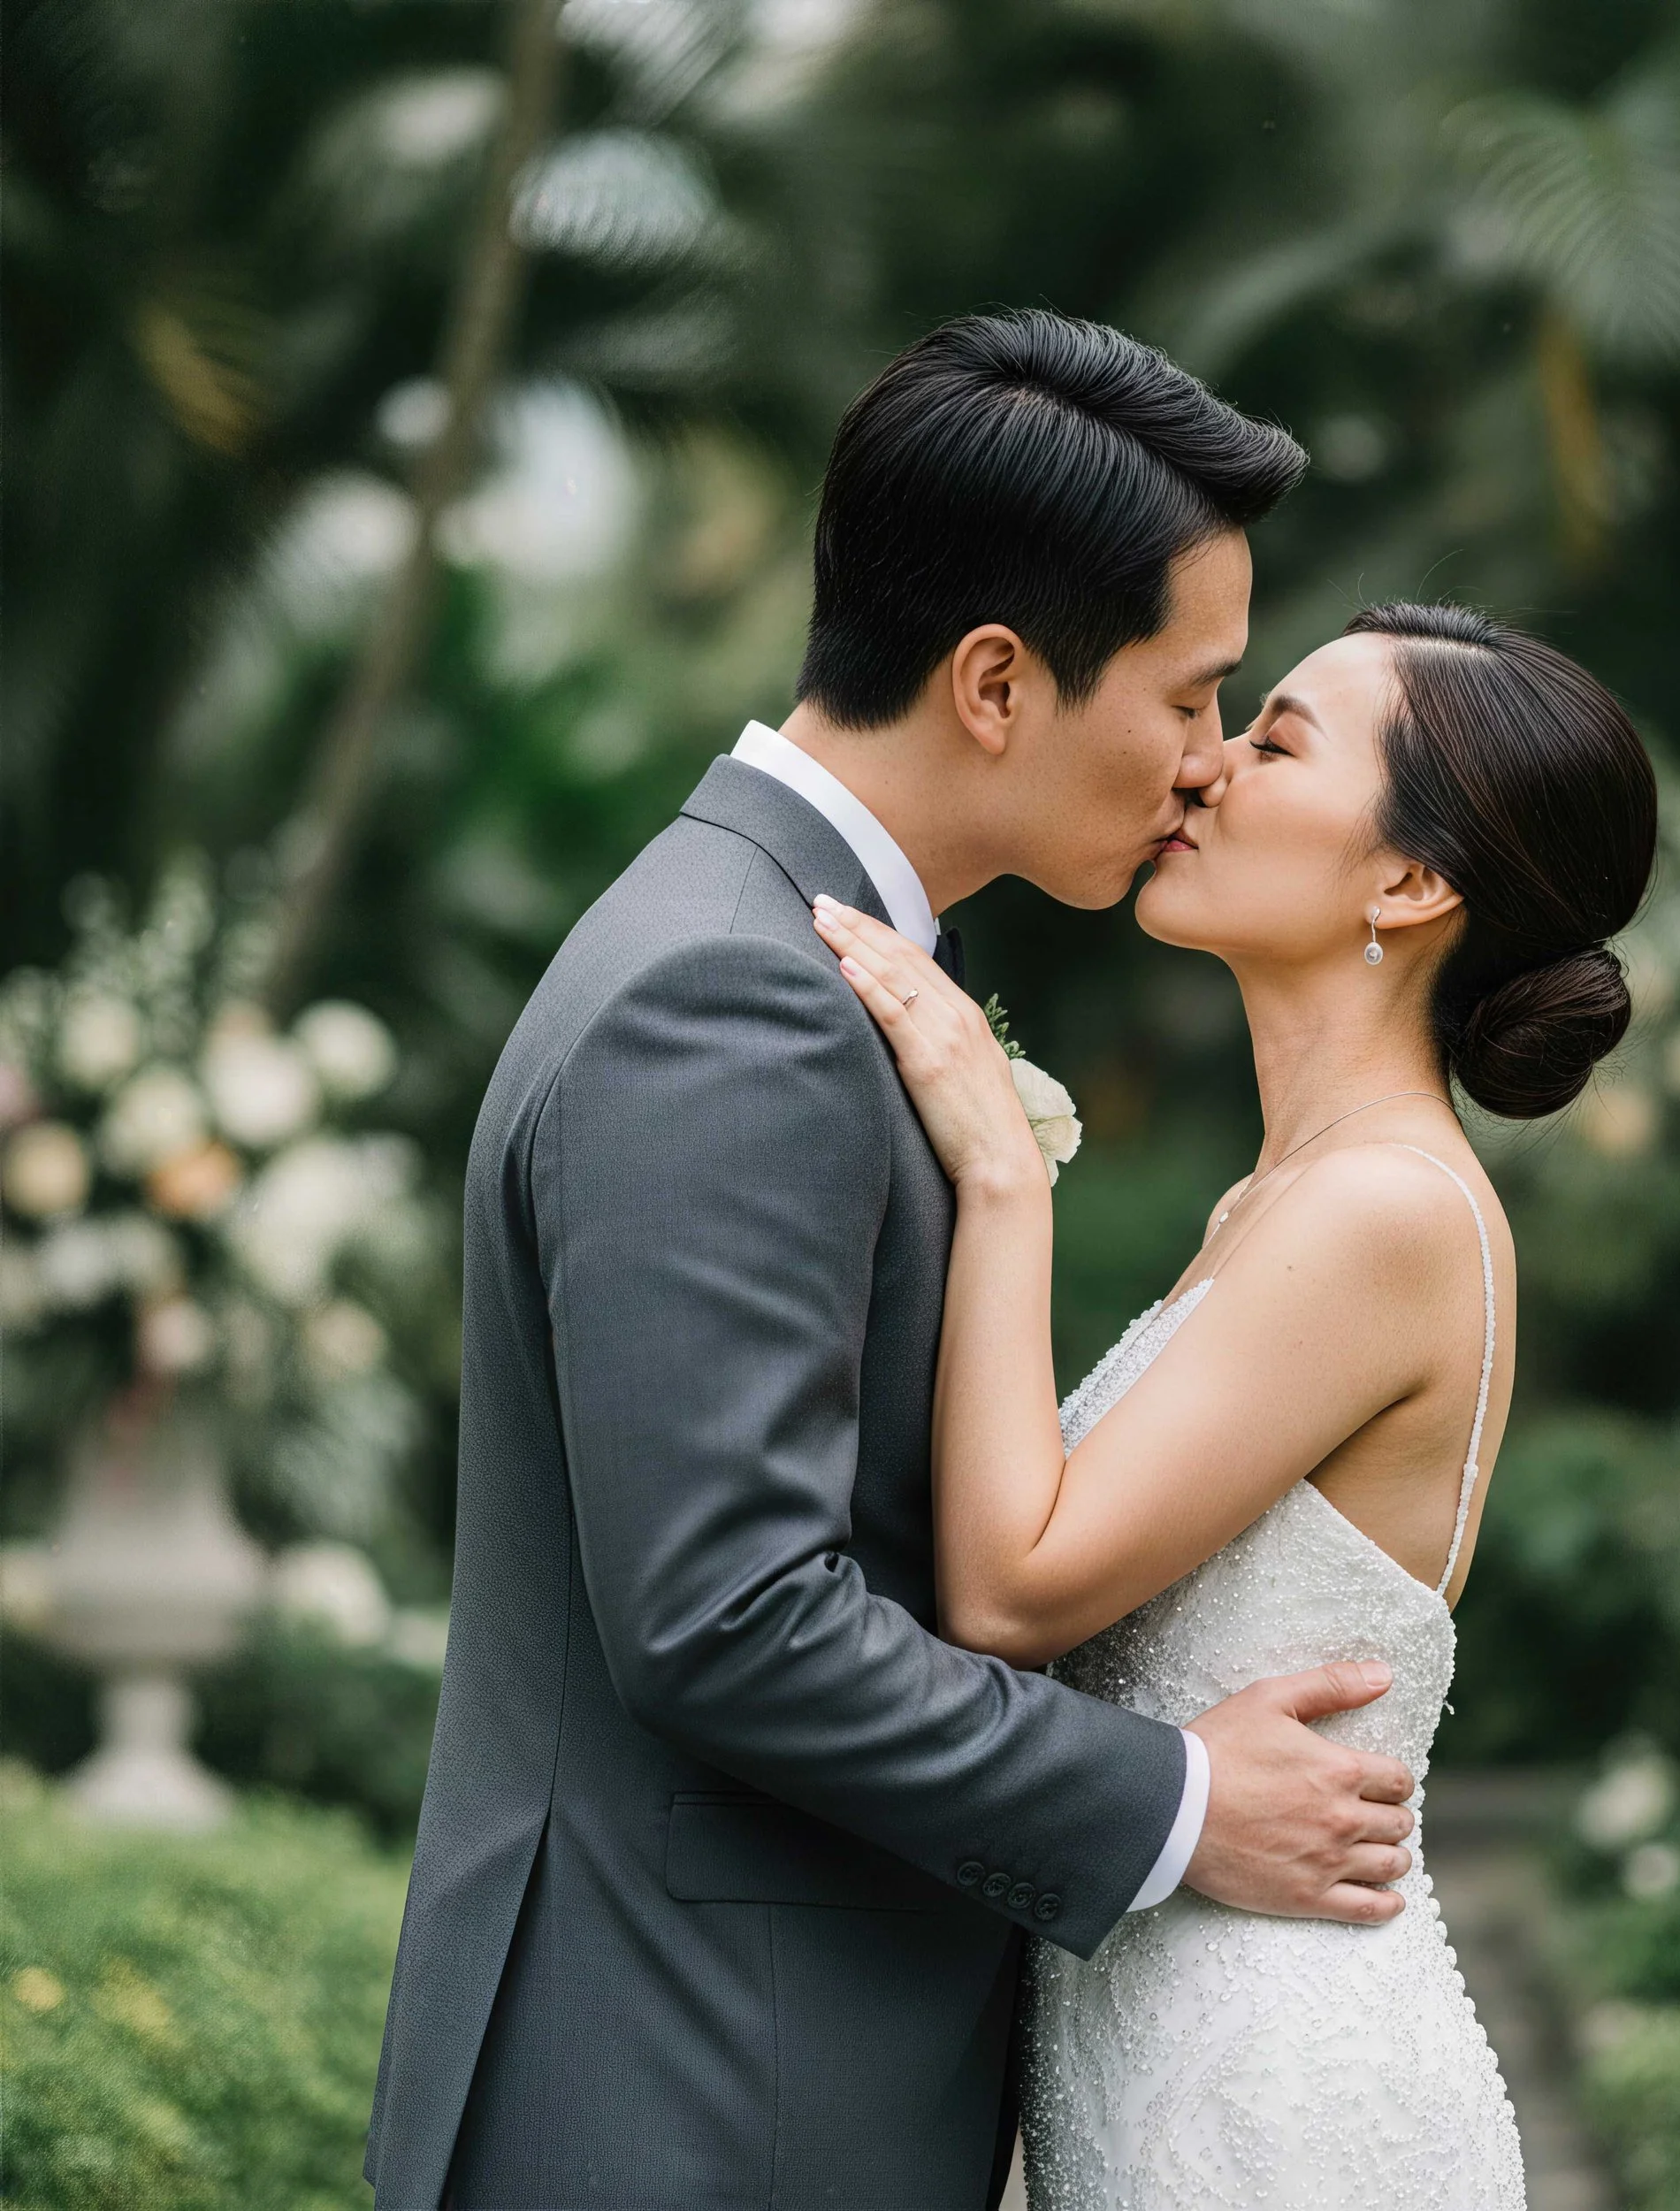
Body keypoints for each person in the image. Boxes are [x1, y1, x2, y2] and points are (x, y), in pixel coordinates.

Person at [364, 312, 1427, 2211]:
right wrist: (1176, 1800)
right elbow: (728, 1613)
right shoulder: (731, 995)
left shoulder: (798, 950)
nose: (1201, 762)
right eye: (1188, 696)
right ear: (999, 682)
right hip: (685, 2093)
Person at [813, 599, 1657, 2207]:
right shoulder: (1284, 1202)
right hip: (1154, 2056)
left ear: (1410, 884)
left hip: (1276, 2106)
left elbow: (1009, 1590)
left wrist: (1002, 1180)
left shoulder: (1384, 1213)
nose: (1203, 770)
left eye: (1276, 742)